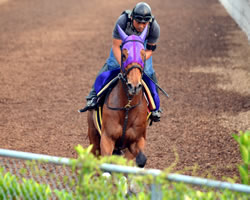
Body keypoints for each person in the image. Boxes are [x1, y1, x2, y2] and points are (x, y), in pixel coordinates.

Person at [81, 2, 162, 122]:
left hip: (141, 49)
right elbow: (115, 46)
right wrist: (124, 64)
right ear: (132, 18)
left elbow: (150, 50)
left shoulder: (154, 27)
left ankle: (156, 107)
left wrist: (138, 61)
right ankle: (93, 96)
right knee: (112, 65)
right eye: (138, 22)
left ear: (149, 22)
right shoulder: (123, 20)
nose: (141, 26)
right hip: (122, 47)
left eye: (144, 23)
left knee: (149, 71)